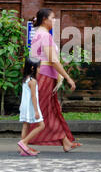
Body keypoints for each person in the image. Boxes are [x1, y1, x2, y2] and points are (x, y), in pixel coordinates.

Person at [26, 8, 82, 152]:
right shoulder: (44, 35)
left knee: (50, 110)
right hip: (45, 75)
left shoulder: (39, 34)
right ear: (45, 19)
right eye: (52, 17)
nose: (54, 20)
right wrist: (68, 77)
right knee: (46, 111)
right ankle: (24, 142)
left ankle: (65, 142)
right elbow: (53, 60)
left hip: (44, 75)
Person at [17, 57, 45, 156]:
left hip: (24, 106)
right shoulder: (32, 81)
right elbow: (33, 97)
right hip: (31, 107)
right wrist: (36, 111)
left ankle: (22, 149)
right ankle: (24, 142)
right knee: (41, 126)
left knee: (26, 125)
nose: (40, 69)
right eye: (38, 67)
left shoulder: (26, 79)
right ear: (33, 68)